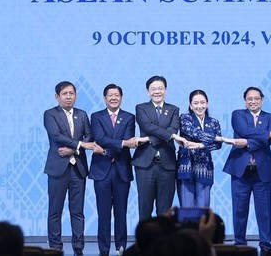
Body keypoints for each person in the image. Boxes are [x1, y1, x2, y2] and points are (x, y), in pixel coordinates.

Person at [223, 87, 271, 255]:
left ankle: (265, 245)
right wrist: (268, 134)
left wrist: (249, 142)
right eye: (249, 99)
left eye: (256, 98)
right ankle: (239, 244)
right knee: (239, 210)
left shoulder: (270, 118)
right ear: (245, 101)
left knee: (264, 211)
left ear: (262, 100)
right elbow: (243, 131)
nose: (253, 101)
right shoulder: (238, 115)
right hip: (240, 170)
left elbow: (269, 142)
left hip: (262, 171)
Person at [43, 81, 102, 255]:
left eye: (71, 93)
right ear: (57, 97)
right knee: (55, 211)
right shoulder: (50, 114)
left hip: (78, 170)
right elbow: (56, 136)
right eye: (64, 94)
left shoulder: (82, 114)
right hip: (57, 169)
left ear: (76, 95)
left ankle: (78, 248)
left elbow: (89, 135)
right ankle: (55, 248)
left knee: (77, 212)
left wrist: (74, 148)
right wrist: (80, 144)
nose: (68, 97)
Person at [90, 83, 141, 256]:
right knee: (103, 213)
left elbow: (128, 140)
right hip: (101, 171)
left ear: (121, 97)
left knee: (121, 212)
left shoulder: (129, 117)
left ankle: (121, 248)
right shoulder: (96, 116)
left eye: (116, 95)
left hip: (121, 170)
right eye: (110, 95)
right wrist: (118, 145)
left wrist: (105, 149)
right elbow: (99, 138)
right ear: (105, 98)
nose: (113, 98)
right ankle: (103, 249)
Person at [133, 75, 181, 220]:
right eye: (153, 89)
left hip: (167, 165)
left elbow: (173, 129)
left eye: (160, 88)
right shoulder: (141, 108)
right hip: (145, 165)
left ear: (165, 90)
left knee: (165, 211)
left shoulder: (173, 109)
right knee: (145, 208)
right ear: (148, 91)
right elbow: (147, 126)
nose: (157, 91)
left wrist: (148, 139)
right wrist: (168, 136)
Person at [176, 89, 226, 208]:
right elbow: (194, 133)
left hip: (205, 167)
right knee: (187, 208)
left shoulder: (214, 122)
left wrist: (199, 145)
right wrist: (217, 138)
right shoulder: (184, 118)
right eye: (196, 103)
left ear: (207, 104)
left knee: (203, 209)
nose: (200, 106)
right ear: (190, 105)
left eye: (202, 102)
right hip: (186, 166)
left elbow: (218, 145)